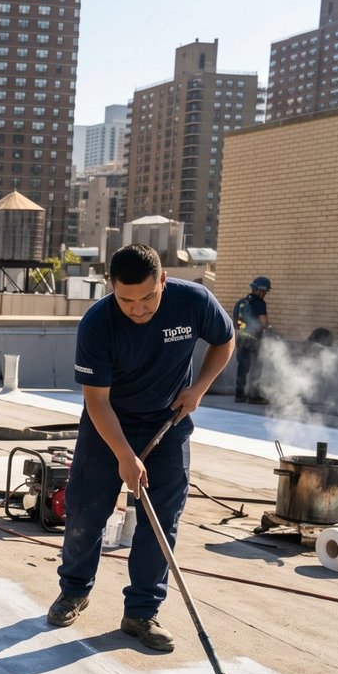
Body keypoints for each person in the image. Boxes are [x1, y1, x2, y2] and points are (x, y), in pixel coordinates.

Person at [48, 244, 235, 652]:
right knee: (86, 512)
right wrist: (124, 455)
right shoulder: (97, 323)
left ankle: (141, 613)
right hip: (107, 426)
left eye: (148, 298)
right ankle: (74, 591)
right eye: (126, 300)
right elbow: (97, 401)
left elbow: (224, 340)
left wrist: (198, 389)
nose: (137, 309)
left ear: (163, 280)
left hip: (167, 424)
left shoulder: (194, 301)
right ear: (111, 288)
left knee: (160, 521)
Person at [232, 276, 273, 404]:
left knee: (242, 367)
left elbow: (235, 322)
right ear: (261, 291)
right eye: (265, 292)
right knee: (256, 367)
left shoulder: (241, 303)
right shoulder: (259, 302)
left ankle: (239, 395)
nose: (265, 294)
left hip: (241, 338)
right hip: (254, 341)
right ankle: (254, 396)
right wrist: (270, 330)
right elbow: (264, 322)